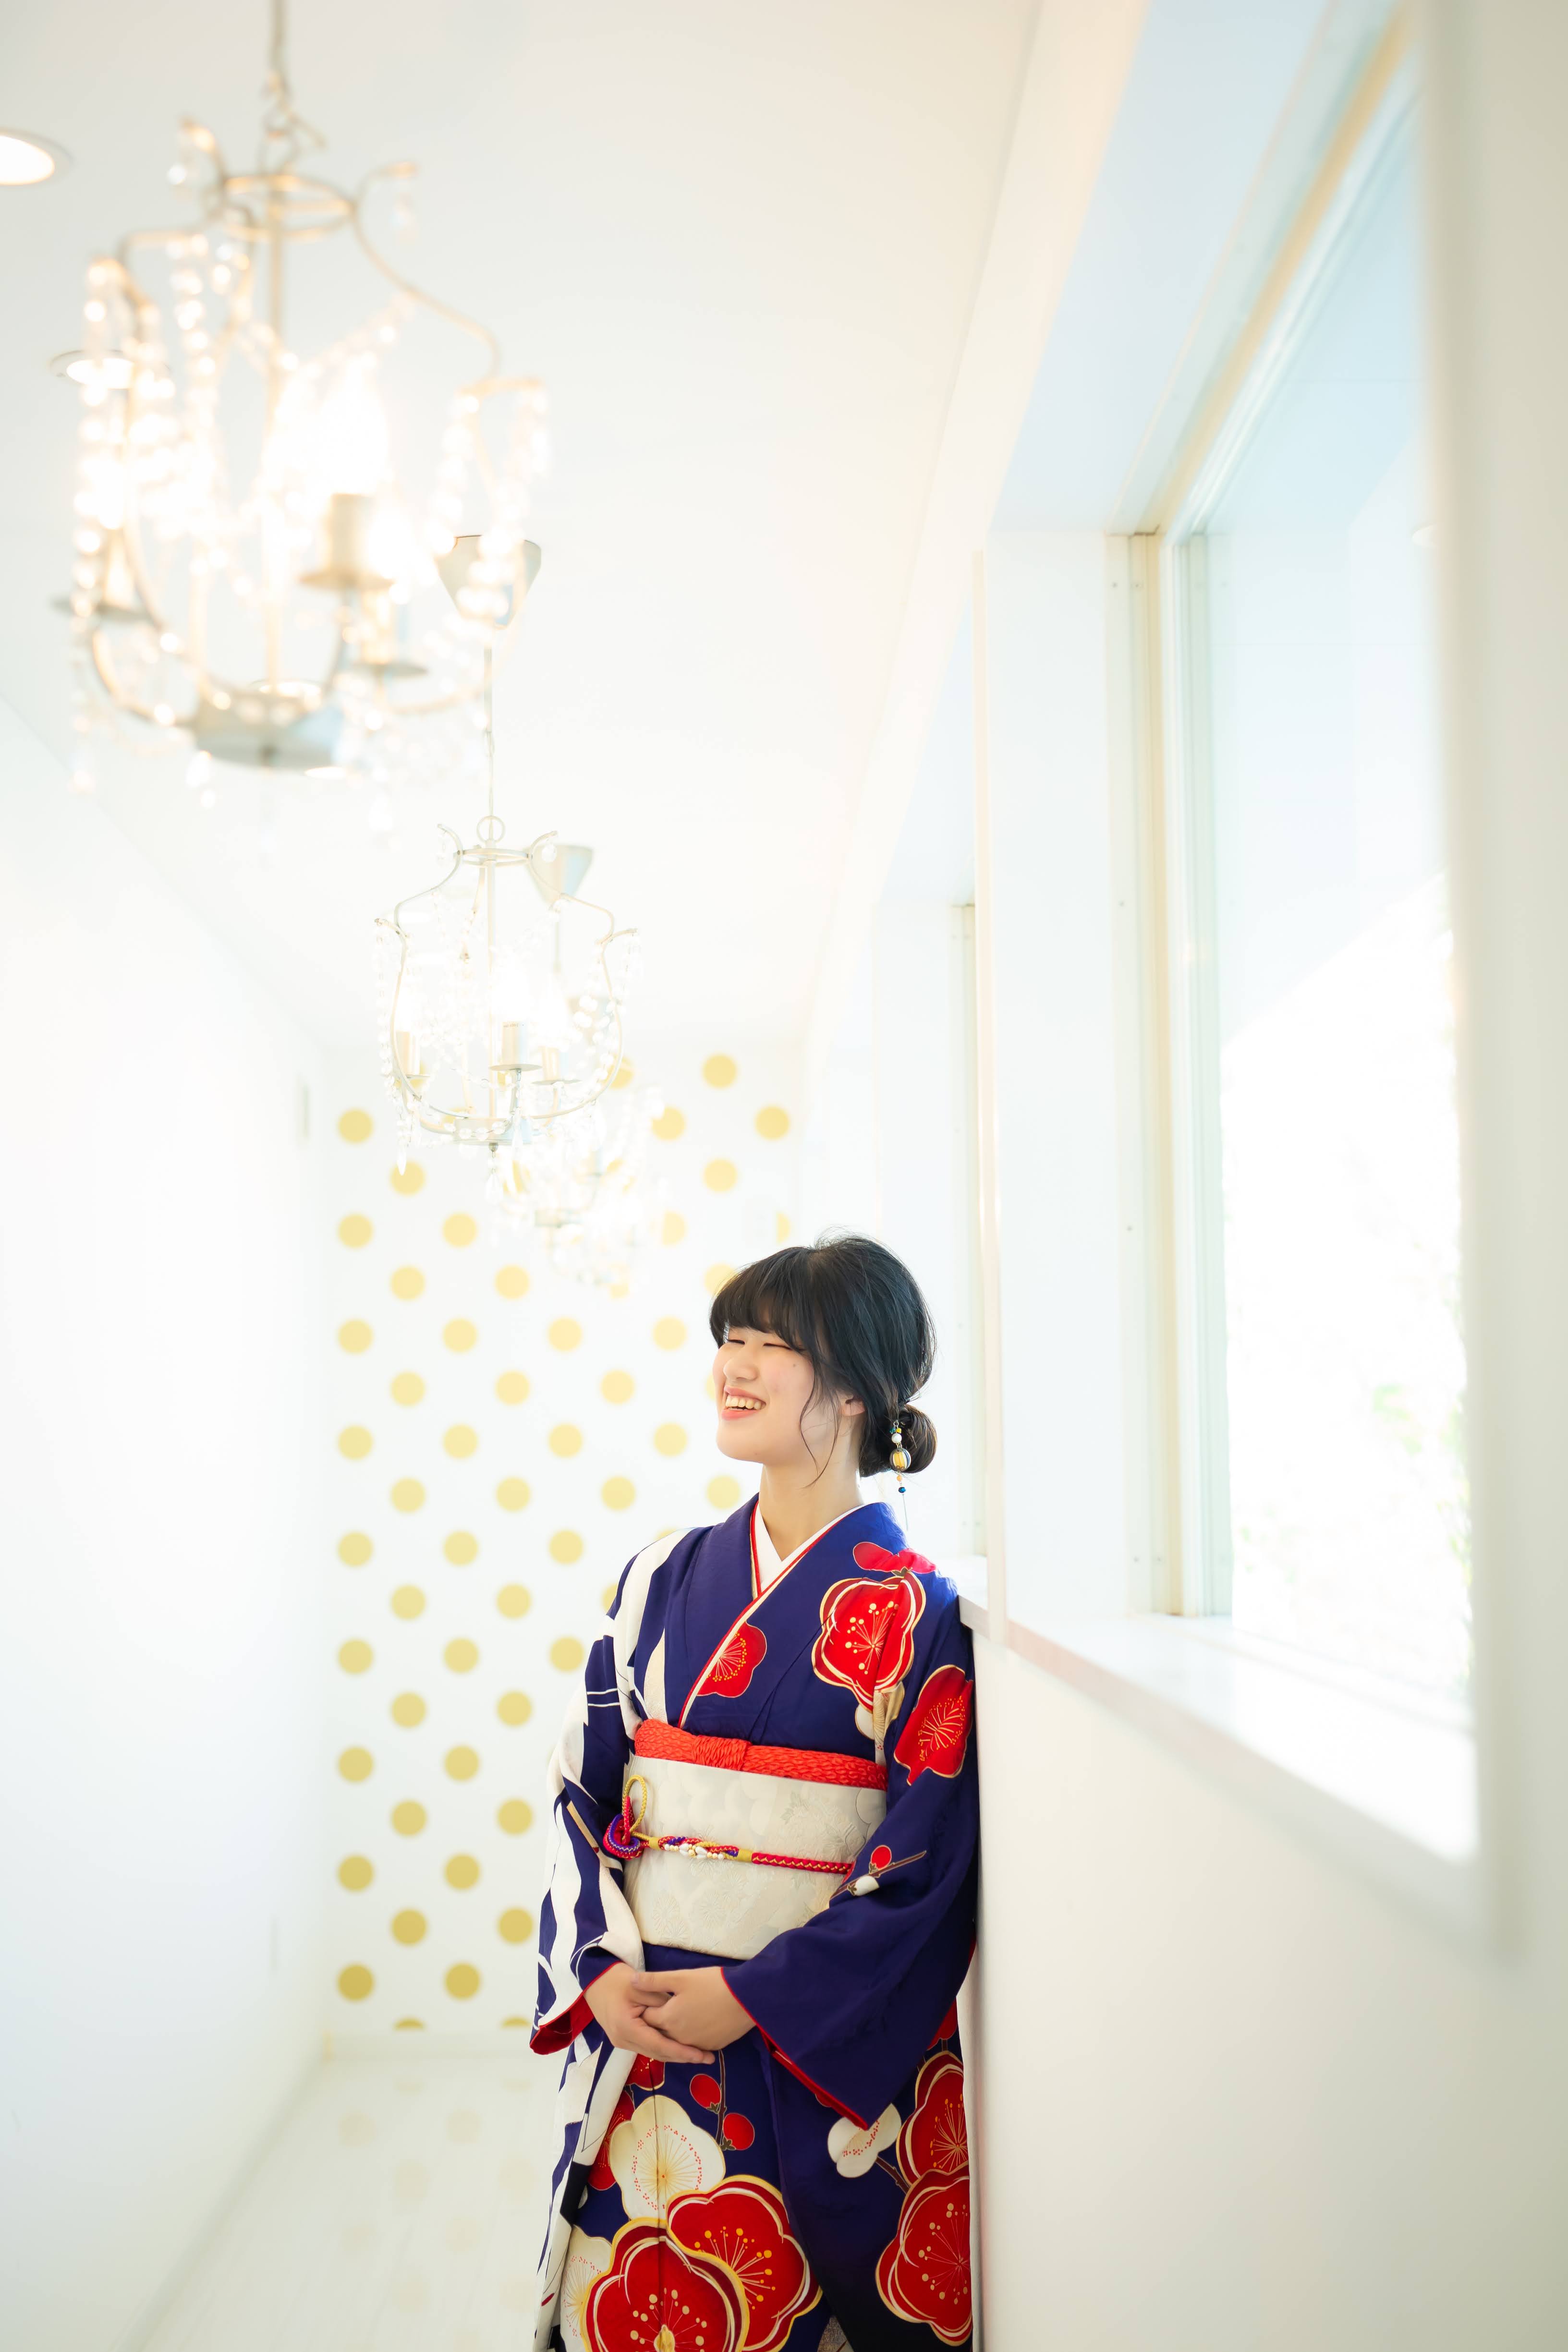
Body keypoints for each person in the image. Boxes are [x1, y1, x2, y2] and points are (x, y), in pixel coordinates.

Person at [530, 1235, 978, 2352]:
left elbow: (921, 1866)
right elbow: (582, 1788)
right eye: (730, 1337)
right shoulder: (659, 1576)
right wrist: (601, 1967)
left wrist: (754, 1996)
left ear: (857, 1386)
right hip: (648, 2018)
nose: (734, 1364)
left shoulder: (921, 1611)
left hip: (797, 2035)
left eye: (772, 1344)